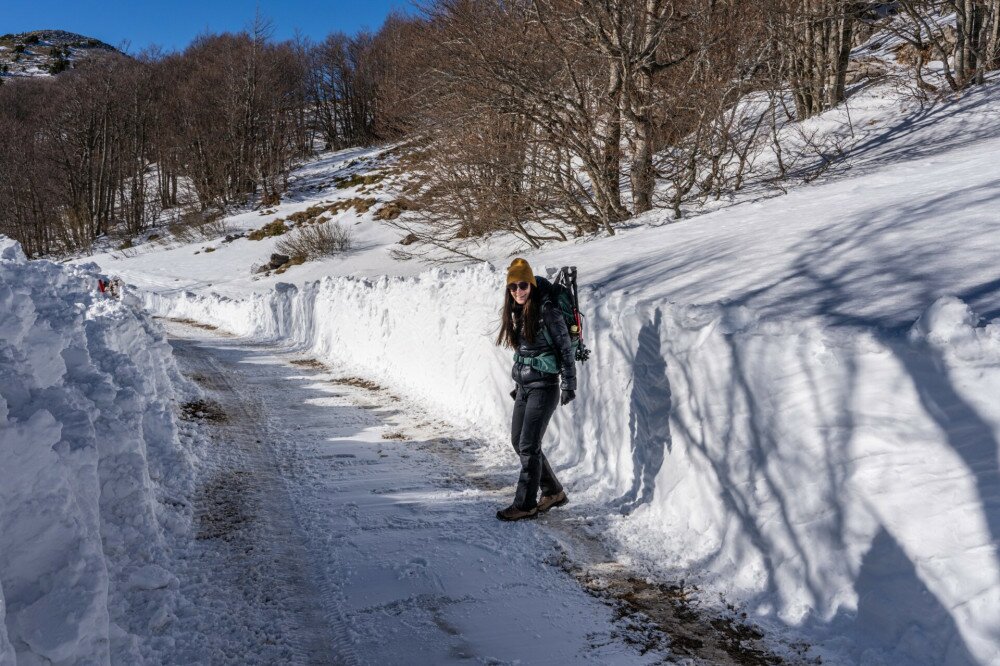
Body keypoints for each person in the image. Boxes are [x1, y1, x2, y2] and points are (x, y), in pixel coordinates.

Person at [495, 258, 575, 521]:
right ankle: (552, 491)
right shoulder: (517, 312)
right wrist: (520, 384)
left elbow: (565, 348)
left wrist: (569, 384)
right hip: (525, 387)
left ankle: (525, 504)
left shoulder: (547, 309)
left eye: (523, 285)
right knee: (519, 442)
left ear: (530, 283)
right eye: (513, 287)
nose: (518, 291)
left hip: (544, 386)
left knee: (529, 445)